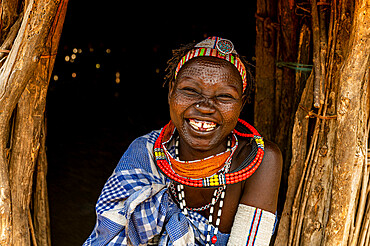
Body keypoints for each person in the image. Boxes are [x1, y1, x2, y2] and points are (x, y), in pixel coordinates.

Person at [84, 36, 282, 246]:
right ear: (171, 92)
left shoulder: (260, 161)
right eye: (190, 91)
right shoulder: (145, 152)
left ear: (241, 105)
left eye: (224, 96)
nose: (205, 106)